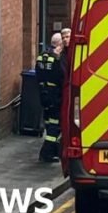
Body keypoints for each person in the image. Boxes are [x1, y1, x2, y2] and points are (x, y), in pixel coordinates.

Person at [36, 33, 65, 162]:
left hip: (43, 93)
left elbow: (37, 74)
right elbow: (61, 76)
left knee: (48, 122)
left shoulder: (41, 56)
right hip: (54, 94)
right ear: (59, 44)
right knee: (55, 124)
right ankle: (46, 153)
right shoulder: (56, 58)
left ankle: (53, 150)